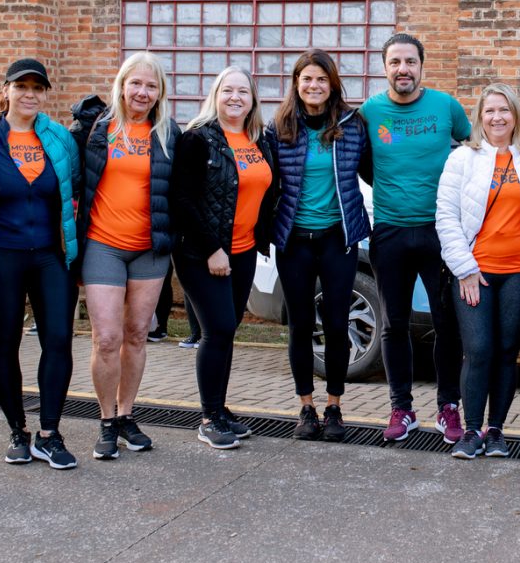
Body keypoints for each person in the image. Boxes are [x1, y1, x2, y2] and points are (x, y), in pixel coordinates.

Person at [0, 59, 81, 470]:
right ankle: (18, 430)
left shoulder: (58, 138)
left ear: (45, 93)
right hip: (2, 258)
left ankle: (50, 433)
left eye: (38, 87)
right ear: (6, 90)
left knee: (58, 339)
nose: (30, 93)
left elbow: (76, 187)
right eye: (22, 86)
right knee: (2, 344)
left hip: (52, 256)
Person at [359, 33, 471, 443]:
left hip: (439, 231)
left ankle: (448, 408)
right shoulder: (370, 112)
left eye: (410, 61)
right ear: (385, 67)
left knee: (447, 324)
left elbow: (472, 149)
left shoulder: (447, 107)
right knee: (393, 325)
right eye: (395, 62)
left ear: (422, 66)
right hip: (388, 230)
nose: (402, 69)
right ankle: (401, 409)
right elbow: (365, 165)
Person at [71, 51, 180, 460]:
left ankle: (126, 414)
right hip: (102, 245)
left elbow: (180, 193)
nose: (142, 92)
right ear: (121, 85)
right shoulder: (96, 129)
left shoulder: (169, 135)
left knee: (137, 335)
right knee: (107, 338)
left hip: (149, 251)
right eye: (136, 83)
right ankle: (105, 421)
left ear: (160, 93)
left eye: (151, 85)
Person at [266, 50, 370, 442]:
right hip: (294, 240)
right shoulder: (278, 127)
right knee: (300, 325)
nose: (314, 86)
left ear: (333, 84)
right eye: (307, 79)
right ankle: (306, 406)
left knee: (338, 323)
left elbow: (374, 170)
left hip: (337, 238)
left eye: (321, 80)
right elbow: (267, 182)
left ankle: (334, 407)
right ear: (296, 83)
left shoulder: (351, 124)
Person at [435, 84, 520, 459]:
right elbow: (446, 216)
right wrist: (463, 267)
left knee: (506, 351)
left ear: (516, 115)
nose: (497, 117)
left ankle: (495, 430)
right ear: (480, 117)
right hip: (474, 271)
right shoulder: (463, 158)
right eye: (489, 111)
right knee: (478, 350)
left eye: (505, 110)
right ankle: (470, 431)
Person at [172, 66, 274, 449]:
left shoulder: (257, 141)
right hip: (203, 253)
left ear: (252, 100)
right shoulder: (197, 140)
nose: (235, 97)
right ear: (215, 96)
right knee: (216, 329)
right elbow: (182, 200)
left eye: (243, 92)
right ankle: (208, 417)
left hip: (245, 251)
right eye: (227, 90)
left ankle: (220, 407)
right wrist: (213, 248)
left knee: (228, 330)